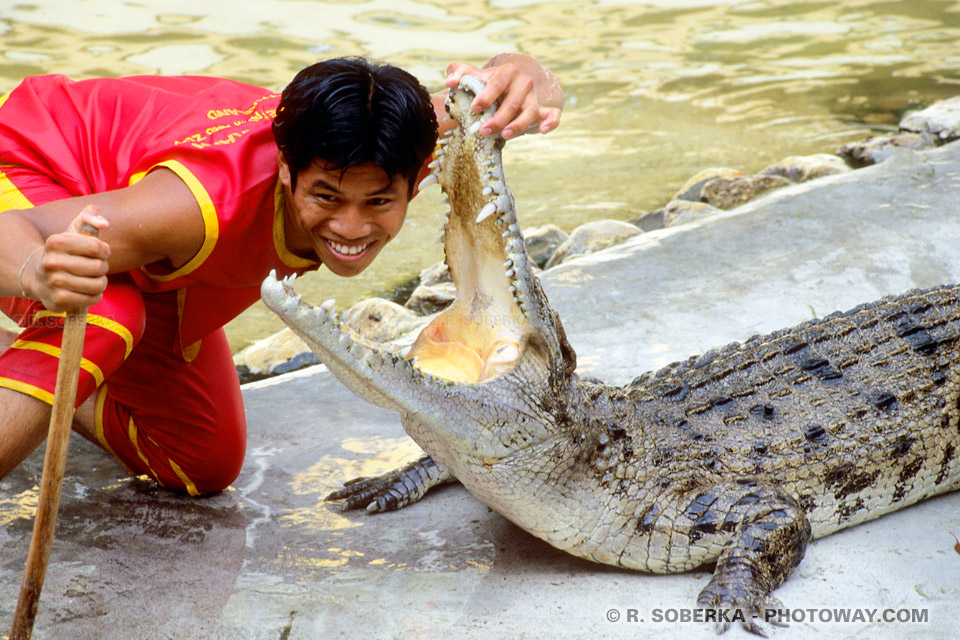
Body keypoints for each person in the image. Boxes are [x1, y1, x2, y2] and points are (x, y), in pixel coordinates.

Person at [0, 54, 563, 495]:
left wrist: (527, 80)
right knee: (106, 312)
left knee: (200, 461)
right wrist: (36, 274)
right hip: (31, 161)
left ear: (413, 182)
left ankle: (29, 363)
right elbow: (19, 227)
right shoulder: (200, 208)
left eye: (378, 202)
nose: (351, 227)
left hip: (141, 240)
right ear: (286, 170)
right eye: (326, 196)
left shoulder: (400, 137)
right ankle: (50, 346)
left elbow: (512, 77)